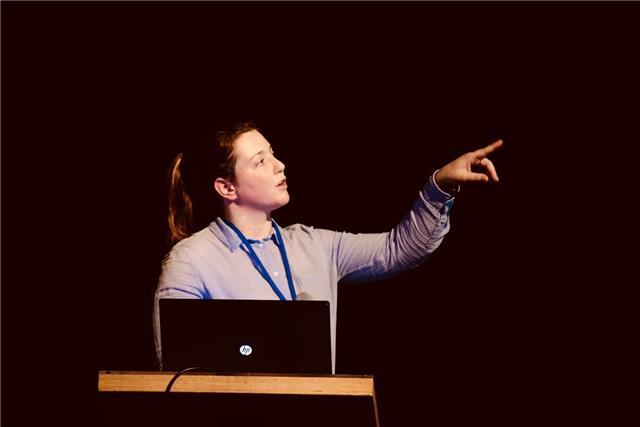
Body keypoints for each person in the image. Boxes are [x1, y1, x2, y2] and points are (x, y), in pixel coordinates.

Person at [154, 120, 503, 373]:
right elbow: (174, 366)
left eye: (273, 154)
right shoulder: (192, 259)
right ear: (227, 188)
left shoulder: (315, 245)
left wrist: (438, 185)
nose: (280, 165)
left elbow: (398, 249)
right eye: (261, 161)